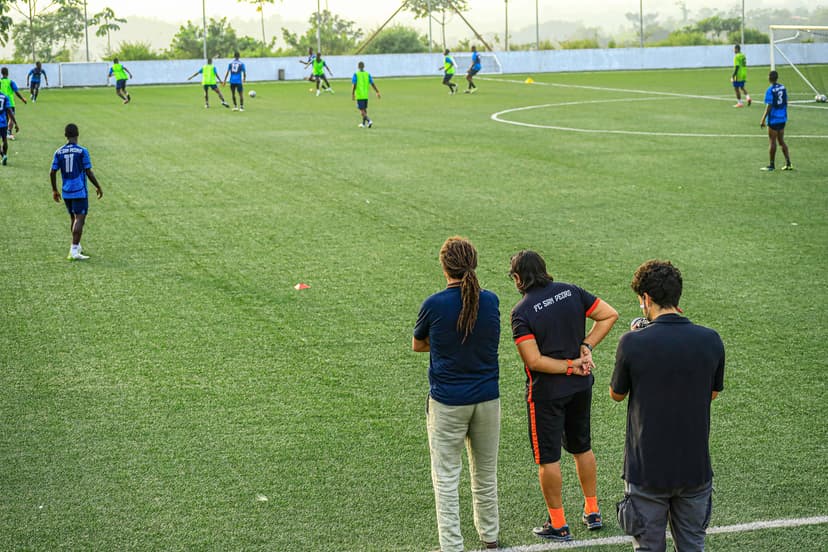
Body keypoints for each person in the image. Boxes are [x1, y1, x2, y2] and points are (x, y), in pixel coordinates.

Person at [611, 259, 725, 552]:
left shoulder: (632, 343)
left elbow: (617, 394)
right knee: (692, 547)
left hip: (646, 470)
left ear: (646, 299)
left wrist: (635, 337)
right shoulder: (711, 340)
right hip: (694, 468)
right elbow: (711, 394)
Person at [509, 250, 618, 542]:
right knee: (582, 447)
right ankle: (592, 511)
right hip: (581, 387)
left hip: (546, 394)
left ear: (518, 278)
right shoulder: (571, 291)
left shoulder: (522, 311)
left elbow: (534, 361)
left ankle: (558, 524)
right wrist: (587, 346)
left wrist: (570, 365)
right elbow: (609, 315)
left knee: (548, 458)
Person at [413, 236, 501, 552]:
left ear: (444, 266)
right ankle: (489, 537)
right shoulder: (490, 301)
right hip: (488, 400)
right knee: (485, 475)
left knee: (447, 479)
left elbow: (418, 343)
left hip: (448, 402)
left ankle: (452, 545)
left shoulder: (434, 304)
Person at [50, 123, 103, 261]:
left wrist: (55, 190)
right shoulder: (82, 151)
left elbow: (52, 171)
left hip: (66, 190)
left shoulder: (58, 152)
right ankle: (73, 250)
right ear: (77, 134)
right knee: (80, 218)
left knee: (73, 219)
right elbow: (88, 171)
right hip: (79, 190)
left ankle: (77, 245)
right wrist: (98, 186)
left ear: (65, 135)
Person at [760, 70, 793, 172]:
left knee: (772, 141)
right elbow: (786, 101)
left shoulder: (770, 90)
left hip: (773, 119)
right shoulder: (783, 88)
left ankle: (771, 165)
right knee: (781, 141)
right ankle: (788, 163)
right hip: (782, 118)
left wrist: (763, 119)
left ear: (769, 78)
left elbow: (769, 105)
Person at [0, 67, 27, 140]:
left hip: (1, 102)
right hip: (10, 103)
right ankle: (8, 132)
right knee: (11, 117)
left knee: (4, 117)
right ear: (7, 73)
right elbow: (16, 92)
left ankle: (5, 132)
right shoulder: (11, 82)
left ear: (1, 73)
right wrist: (22, 99)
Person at [351, 61, 380, 128]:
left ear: (358, 67)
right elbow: (372, 83)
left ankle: (369, 120)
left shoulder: (356, 74)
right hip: (365, 95)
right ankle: (363, 124)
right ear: (364, 66)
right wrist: (377, 92)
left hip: (359, 95)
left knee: (361, 110)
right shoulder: (367, 74)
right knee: (364, 109)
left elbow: (354, 84)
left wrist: (352, 94)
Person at [0, 90, 18, 166]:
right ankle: (5, 155)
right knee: (4, 139)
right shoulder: (4, 97)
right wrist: (16, 123)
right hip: (3, 122)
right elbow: (9, 111)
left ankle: (3, 156)